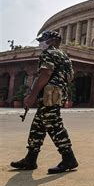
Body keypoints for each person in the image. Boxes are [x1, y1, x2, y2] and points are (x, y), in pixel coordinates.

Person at [10, 30, 78, 174]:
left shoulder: (48, 53)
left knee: (54, 125)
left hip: (49, 95)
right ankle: (30, 159)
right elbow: (70, 77)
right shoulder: (64, 56)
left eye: (44, 39)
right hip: (56, 94)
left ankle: (69, 158)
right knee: (38, 127)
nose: (41, 42)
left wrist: (32, 95)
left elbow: (45, 73)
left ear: (52, 40)